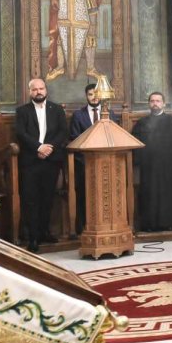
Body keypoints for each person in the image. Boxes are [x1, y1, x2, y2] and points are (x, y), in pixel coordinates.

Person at [14, 78, 68, 252]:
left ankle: (45, 232)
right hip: (31, 161)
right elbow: (21, 133)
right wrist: (38, 147)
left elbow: (62, 132)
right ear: (30, 92)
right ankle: (33, 237)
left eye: (41, 88)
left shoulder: (57, 109)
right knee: (31, 200)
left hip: (51, 161)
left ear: (46, 90)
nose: (39, 92)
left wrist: (48, 148)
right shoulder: (22, 111)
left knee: (47, 199)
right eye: (35, 89)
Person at [132, 92, 172, 232]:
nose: (155, 103)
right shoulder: (142, 123)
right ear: (149, 103)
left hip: (168, 166)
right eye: (152, 101)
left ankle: (170, 223)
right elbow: (135, 143)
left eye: (158, 101)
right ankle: (149, 225)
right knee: (149, 194)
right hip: (148, 167)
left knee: (168, 194)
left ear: (163, 103)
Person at [69, 82, 113, 233]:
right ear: (86, 96)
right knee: (85, 196)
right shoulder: (78, 115)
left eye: (96, 94)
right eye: (90, 94)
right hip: (84, 163)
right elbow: (75, 138)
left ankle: (107, 226)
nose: (94, 97)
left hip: (107, 164)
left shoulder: (109, 114)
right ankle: (85, 227)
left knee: (106, 196)